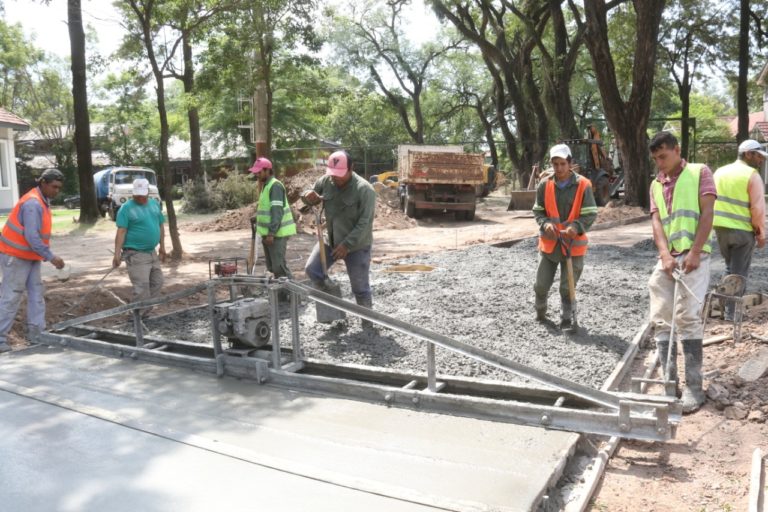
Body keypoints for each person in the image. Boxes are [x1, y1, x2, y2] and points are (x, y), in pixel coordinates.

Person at [647, 131, 716, 414]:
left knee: (687, 316)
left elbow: (708, 212)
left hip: (694, 256)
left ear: (677, 150)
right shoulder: (655, 185)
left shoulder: (700, 172)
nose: (659, 163)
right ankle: (669, 382)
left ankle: (694, 388)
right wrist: (664, 254)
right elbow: (657, 223)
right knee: (661, 316)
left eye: (663, 156)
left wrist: (696, 251)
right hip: (669, 258)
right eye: (655, 158)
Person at [302, 150, 377, 328]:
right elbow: (308, 198)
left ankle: (368, 325)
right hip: (331, 241)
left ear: (352, 168)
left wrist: (347, 245)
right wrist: (307, 196)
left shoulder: (365, 190)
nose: (336, 179)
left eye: (340, 175)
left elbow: (364, 223)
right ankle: (334, 313)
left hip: (357, 245)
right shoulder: (327, 181)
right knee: (313, 270)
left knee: (360, 288)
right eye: (333, 175)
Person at [532, 143, 598, 330]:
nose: (559, 168)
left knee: (567, 287)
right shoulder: (544, 185)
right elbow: (538, 211)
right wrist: (545, 224)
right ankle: (540, 313)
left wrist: (576, 227)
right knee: (541, 284)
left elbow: (590, 213)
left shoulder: (583, 185)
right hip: (550, 243)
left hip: (573, 244)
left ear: (570, 163)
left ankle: (567, 319)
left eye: (562, 164)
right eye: (555, 164)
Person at [0, 168, 66, 351]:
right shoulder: (33, 204)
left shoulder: (43, 201)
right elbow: (32, 237)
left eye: (59, 188)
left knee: (36, 294)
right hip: (15, 256)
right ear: (43, 183)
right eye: (54, 187)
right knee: (11, 296)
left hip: (30, 256)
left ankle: (37, 332)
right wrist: (51, 257)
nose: (56, 191)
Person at [712, 139, 767, 320]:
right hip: (743, 232)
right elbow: (758, 209)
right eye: (758, 156)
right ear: (748, 154)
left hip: (720, 229)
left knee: (730, 269)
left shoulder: (720, 172)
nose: (761, 161)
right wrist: (761, 234)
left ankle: (720, 306)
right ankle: (732, 314)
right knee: (739, 273)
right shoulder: (752, 175)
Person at [113, 178, 166, 316]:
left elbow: (160, 225)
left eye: (143, 195)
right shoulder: (126, 208)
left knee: (158, 282)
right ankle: (136, 318)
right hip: (135, 254)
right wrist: (117, 254)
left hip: (151, 252)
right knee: (142, 288)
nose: (141, 198)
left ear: (148, 192)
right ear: (134, 193)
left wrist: (162, 247)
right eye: (138, 195)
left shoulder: (154, 204)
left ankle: (144, 313)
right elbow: (121, 231)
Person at [250, 157, 296, 281]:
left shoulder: (274, 186)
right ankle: (281, 295)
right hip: (269, 234)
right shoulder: (267, 186)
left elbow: (277, 211)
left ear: (267, 170)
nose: (257, 175)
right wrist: (257, 218)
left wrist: (271, 233)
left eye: (259, 172)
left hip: (276, 234)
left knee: (279, 267)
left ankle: (293, 295)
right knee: (272, 267)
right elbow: (268, 209)